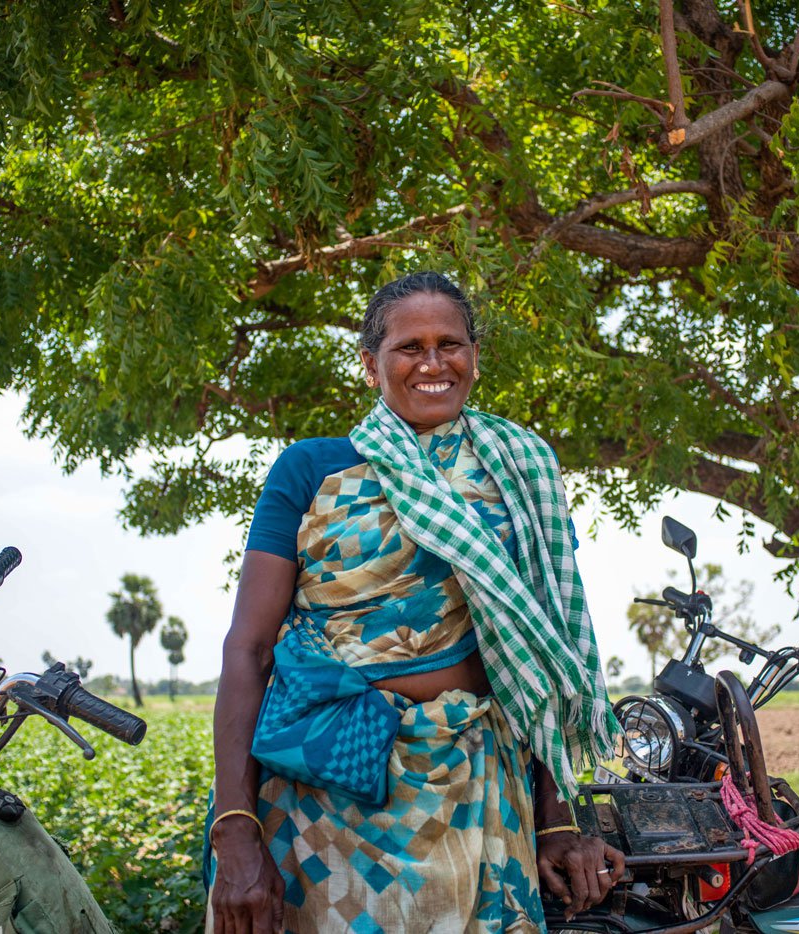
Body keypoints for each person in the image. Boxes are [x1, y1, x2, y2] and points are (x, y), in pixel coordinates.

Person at [206, 271, 624, 934]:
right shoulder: (312, 469)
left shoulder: (521, 476)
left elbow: (548, 655)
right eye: (409, 347)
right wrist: (234, 832)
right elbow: (249, 649)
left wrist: (562, 819)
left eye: (449, 344)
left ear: (475, 357)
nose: (433, 363)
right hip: (325, 798)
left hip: (479, 789)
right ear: (371, 365)